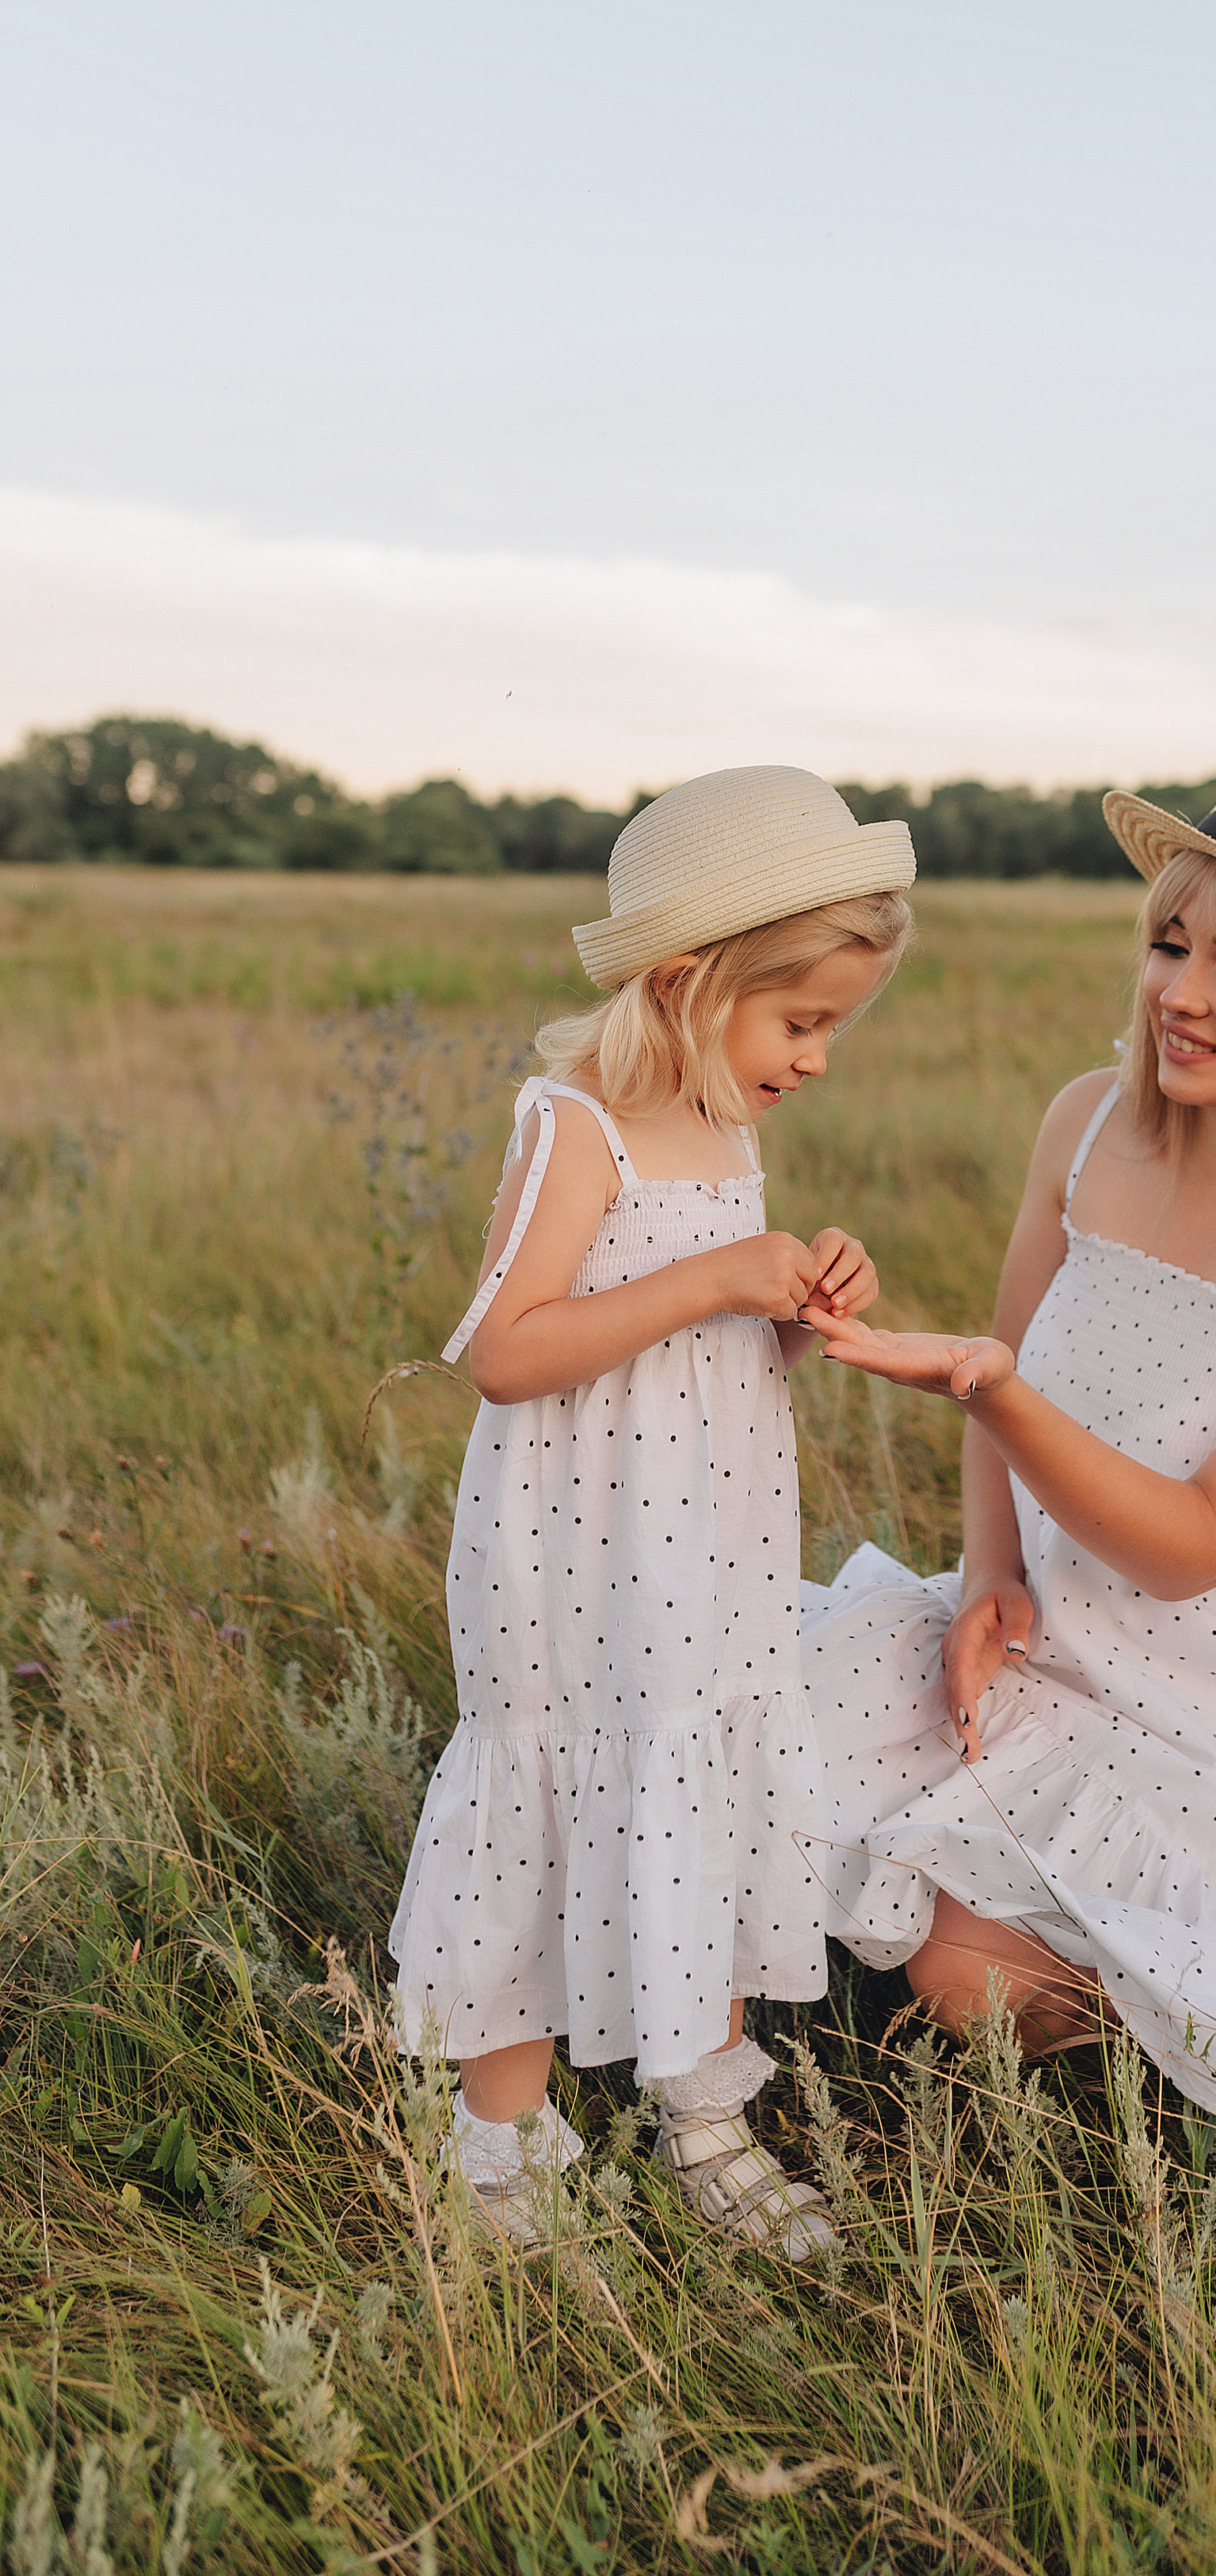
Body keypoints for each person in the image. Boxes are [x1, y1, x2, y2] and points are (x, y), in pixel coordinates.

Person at [799, 760, 1216, 2122]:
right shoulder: (1090, 1121)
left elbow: (1195, 1543)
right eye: (1169, 945)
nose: (1180, 993)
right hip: (1065, 1611)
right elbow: (1013, 1367)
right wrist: (991, 1572)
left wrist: (991, 1392)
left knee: (966, 1984)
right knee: (755, 1731)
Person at [388, 765, 913, 2254]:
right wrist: (707, 1280)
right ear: (689, 984)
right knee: (547, 1780)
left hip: (708, 1537)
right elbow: (507, 1349)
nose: (816, 1059)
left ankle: (705, 2115)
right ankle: (499, 2141)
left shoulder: (727, 1126)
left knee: (712, 1771)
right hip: (573, 1547)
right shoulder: (576, 1125)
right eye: (799, 1021)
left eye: (833, 1029)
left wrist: (795, 1312)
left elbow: (710, 1344)